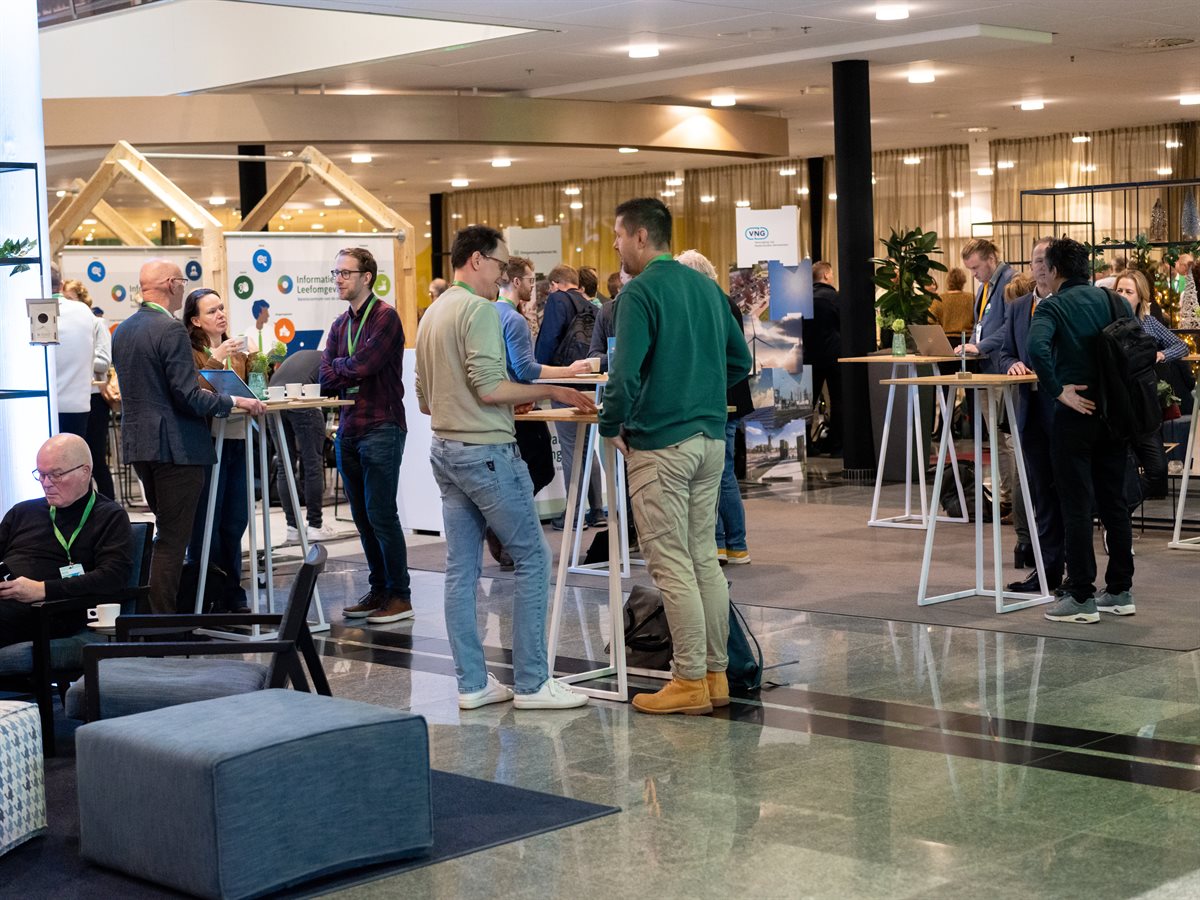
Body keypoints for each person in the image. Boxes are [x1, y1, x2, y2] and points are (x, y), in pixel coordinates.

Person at [414, 224, 593, 711]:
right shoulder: (478, 310)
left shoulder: (433, 313)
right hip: (487, 453)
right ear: (476, 259)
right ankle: (533, 683)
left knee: (461, 570)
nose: (502, 275)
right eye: (498, 264)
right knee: (533, 558)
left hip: (446, 450)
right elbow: (491, 388)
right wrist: (552, 390)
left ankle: (472, 683)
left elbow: (426, 401)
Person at [600, 198, 752, 716]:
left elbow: (623, 375)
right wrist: (698, 390)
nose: (616, 245)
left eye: (619, 235)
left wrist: (610, 423)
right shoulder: (708, 289)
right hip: (709, 441)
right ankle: (714, 676)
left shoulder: (639, 292)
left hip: (661, 445)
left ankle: (687, 679)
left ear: (641, 236)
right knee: (703, 558)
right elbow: (740, 360)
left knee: (671, 565)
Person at [112, 260, 264, 614]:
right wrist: (233, 401)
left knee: (166, 535)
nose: (183, 286)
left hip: (141, 446)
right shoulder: (170, 330)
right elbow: (189, 396)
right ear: (171, 284)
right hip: (176, 448)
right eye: (181, 280)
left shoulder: (124, 329)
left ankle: (156, 619)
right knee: (172, 541)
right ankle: (163, 624)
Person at [1028, 237, 1135, 624]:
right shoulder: (1116, 302)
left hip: (1076, 416)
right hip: (1115, 414)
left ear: (1054, 270)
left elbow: (1036, 349)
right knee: (1114, 503)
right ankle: (1120, 590)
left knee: (1076, 505)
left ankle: (1081, 596)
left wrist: (1058, 390)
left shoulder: (1052, 306)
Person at [319, 247, 412, 624]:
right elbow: (325, 375)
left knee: (381, 514)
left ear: (367, 277)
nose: (338, 279)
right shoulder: (339, 325)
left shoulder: (386, 317)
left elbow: (367, 364)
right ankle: (379, 590)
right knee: (361, 517)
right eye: (336, 273)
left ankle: (400, 595)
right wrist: (347, 368)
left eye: (345, 273)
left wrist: (342, 367)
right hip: (349, 428)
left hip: (381, 426)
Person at [489, 256, 591, 567]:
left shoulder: (491, 313)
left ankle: (504, 531)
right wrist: (567, 372)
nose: (535, 287)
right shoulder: (514, 319)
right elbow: (525, 368)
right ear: (516, 281)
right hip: (519, 406)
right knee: (541, 468)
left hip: (502, 409)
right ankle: (502, 526)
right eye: (531, 281)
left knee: (523, 472)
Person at [0, 435, 132, 649]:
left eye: (56, 475)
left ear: (85, 472)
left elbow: (112, 577)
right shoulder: (22, 512)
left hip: (51, 610)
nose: (46, 483)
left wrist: (43, 590)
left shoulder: (109, 516)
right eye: (41, 474)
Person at [676, 249, 754, 566]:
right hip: (727, 398)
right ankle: (729, 544)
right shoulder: (723, 301)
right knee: (720, 472)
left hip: (720, 399)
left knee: (717, 474)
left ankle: (726, 543)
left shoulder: (710, 303)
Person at [183, 288, 254, 613]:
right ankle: (207, 591)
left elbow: (250, 390)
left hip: (239, 439)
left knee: (235, 520)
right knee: (207, 521)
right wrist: (217, 356)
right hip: (209, 443)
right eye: (211, 311)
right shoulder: (191, 352)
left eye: (222, 308)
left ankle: (233, 591)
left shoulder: (239, 351)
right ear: (196, 320)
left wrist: (262, 362)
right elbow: (195, 392)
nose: (220, 315)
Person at [998, 238, 1062, 593]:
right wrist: (1012, 364)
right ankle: (1047, 570)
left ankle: (1075, 573)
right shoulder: (1018, 307)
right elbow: (1005, 352)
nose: (1040, 267)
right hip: (1030, 412)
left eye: (1046, 260)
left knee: (1067, 492)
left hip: (1065, 409)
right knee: (1040, 493)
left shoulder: (1067, 303)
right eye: (1036, 260)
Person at [534, 264, 605, 529]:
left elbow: (548, 341)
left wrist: (539, 372)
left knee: (570, 449)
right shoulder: (592, 305)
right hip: (590, 384)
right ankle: (597, 511)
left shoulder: (557, 300)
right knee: (587, 447)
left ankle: (574, 514)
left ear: (555, 284)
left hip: (564, 384)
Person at [1112, 268, 1188, 499]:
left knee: (1158, 471)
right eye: (1119, 290)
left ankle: (1119, 509)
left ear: (1140, 297)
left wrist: (1161, 355)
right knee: (1121, 469)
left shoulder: (1149, 323)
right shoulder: (1107, 323)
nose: (1122, 295)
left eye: (1129, 292)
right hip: (1117, 406)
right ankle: (1118, 514)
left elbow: (1181, 346)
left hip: (1145, 406)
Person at [270, 349, 335, 542]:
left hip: (274, 399)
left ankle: (293, 528)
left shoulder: (308, 356)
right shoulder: (333, 360)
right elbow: (334, 389)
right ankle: (315, 525)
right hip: (303, 399)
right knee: (312, 463)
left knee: (285, 465)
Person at [63, 275, 116, 499]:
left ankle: (109, 506)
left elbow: (104, 361)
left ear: (82, 300)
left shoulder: (96, 323)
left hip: (94, 397)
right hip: (73, 394)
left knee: (95, 458)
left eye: (70, 299)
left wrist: (77, 355)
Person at [50, 265, 96, 440]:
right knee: (73, 455)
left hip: (42, 404)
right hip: (78, 405)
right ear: (62, 285)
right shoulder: (84, 311)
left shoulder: (32, 310)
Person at [804, 261, 842, 455]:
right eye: (832, 274)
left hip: (809, 356)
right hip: (835, 356)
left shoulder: (803, 299)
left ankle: (806, 446)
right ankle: (837, 446)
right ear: (826, 275)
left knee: (807, 402)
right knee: (838, 400)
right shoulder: (836, 298)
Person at [929, 266, 974, 343]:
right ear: (963, 281)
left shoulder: (939, 299)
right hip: (967, 339)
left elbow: (930, 319)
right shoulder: (971, 298)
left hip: (945, 339)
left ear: (948, 281)